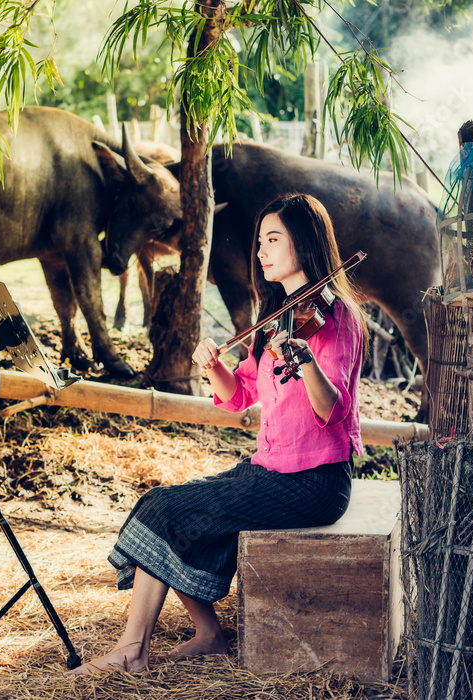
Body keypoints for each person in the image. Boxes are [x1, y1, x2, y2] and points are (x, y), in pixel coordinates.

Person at [70, 192, 370, 675]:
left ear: (306, 244)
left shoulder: (336, 321)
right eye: (260, 241)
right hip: (270, 471)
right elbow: (239, 395)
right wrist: (213, 367)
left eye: (274, 239)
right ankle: (208, 635)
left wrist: (306, 361)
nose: (261, 251)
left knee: (172, 510)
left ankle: (132, 651)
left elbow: (333, 411)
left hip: (315, 482)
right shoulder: (278, 316)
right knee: (159, 501)